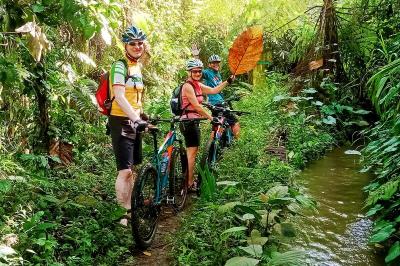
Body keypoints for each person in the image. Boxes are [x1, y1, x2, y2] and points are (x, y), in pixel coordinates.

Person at [108, 25, 149, 225]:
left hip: (134, 120)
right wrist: (135, 118)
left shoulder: (136, 67)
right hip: (121, 121)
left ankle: (131, 211)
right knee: (124, 171)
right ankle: (123, 218)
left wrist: (142, 115)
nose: (137, 46)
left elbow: (135, 97)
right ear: (126, 45)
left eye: (140, 43)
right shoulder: (119, 65)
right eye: (132, 43)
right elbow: (119, 96)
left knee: (131, 169)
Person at [179, 58, 234, 190]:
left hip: (193, 122)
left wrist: (227, 81)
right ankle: (189, 183)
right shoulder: (188, 86)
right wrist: (211, 118)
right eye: (195, 71)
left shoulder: (198, 85)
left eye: (199, 71)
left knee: (192, 152)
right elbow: (197, 107)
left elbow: (214, 90)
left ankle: (187, 178)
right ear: (189, 72)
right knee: (192, 153)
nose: (198, 74)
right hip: (188, 123)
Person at [202, 54, 241, 137]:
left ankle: (212, 144)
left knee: (217, 123)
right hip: (216, 101)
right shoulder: (207, 72)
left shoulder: (218, 74)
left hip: (216, 101)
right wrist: (196, 56)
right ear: (209, 64)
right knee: (234, 122)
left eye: (217, 62)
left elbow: (219, 88)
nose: (216, 64)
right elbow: (198, 71)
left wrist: (229, 81)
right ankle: (238, 143)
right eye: (213, 63)